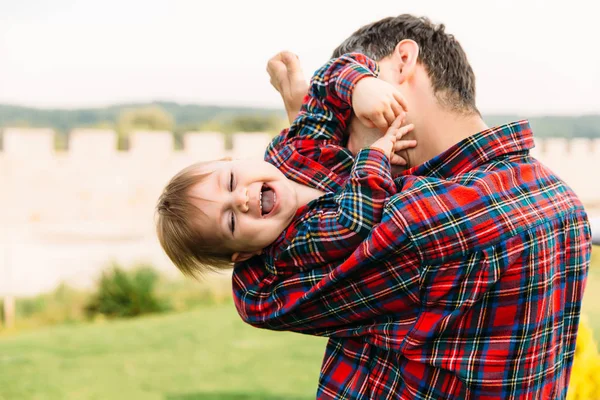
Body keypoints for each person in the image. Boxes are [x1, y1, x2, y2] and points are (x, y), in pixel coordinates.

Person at [232, 14, 592, 399]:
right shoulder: (562, 200)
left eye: (346, 115)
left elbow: (264, 294)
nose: (347, 146)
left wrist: (300, 140)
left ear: (403, 62)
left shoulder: (418, 221)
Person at [156, 52, 416, 278]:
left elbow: (319, 95)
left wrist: (360, 86)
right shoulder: (292, 247)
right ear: (246, 253)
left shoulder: (291, 151)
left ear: (233, 160)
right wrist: (375, 155)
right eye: (231, 221)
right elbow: (354, 223)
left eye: (231, 182)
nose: (240, 200)